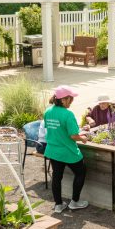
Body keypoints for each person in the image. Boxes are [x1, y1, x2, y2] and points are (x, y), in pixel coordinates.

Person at [44, 85, 89, 213]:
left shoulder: (48, 111)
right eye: (71, 99)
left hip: (53, 151)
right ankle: (75, 202)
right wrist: (83, 138)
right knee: (81, 172)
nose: (72, 102)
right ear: (63, 99)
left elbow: (54, 129)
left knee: (57, 177)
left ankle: (58, 205)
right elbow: (73, 136)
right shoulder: (68, 114)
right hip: (68, 152)